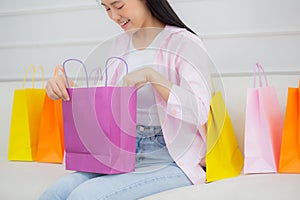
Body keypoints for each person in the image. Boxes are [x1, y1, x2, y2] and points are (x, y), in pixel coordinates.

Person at [40, 0, 215, 199]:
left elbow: (199, 110)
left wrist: (153, 77)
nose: (114, 16)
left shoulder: (184, 42)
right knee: (56, 192)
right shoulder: (120, 44)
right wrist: (68, 89)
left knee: (85, 195)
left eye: (119, 5)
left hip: (172, 158)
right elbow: (105, 101)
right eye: (107, 8)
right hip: (123, 151)